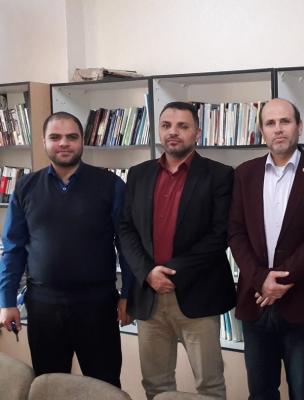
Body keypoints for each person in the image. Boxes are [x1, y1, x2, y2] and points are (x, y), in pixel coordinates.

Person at [0, 112, 133, 387]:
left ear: (82, 141)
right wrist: (7, 300)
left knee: (105, 386)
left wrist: (129, 294)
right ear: (44, 142)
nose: (64, 143)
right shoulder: (25, 187)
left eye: (72, 137)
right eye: (55, 137)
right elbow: (13, 248)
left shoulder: (110, 185)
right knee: (49, 385)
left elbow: (126, 243)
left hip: (97, 305)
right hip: (44, 307)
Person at [118, 101, 235, 400]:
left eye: (183, 126)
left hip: (198, 294)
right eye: (167, 125)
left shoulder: (219, 175)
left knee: (209, 386)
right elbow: (126, 229)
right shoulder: (138, 174)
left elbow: (219, 235)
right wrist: (148, 273)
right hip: (149, 296)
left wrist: (171, 272)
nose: (173, 132)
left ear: (197, 132)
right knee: (155, 385)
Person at [228, 98, 304, 399]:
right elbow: (235, 231)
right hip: (255, 301)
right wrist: (260, 279)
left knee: (303, 391)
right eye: (270, 123)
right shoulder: (245, 173)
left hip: (302, 301)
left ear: (299, 126)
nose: (278, 129)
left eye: (285, 121)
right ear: (262, 131)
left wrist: (282, 279)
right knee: (260, 392)